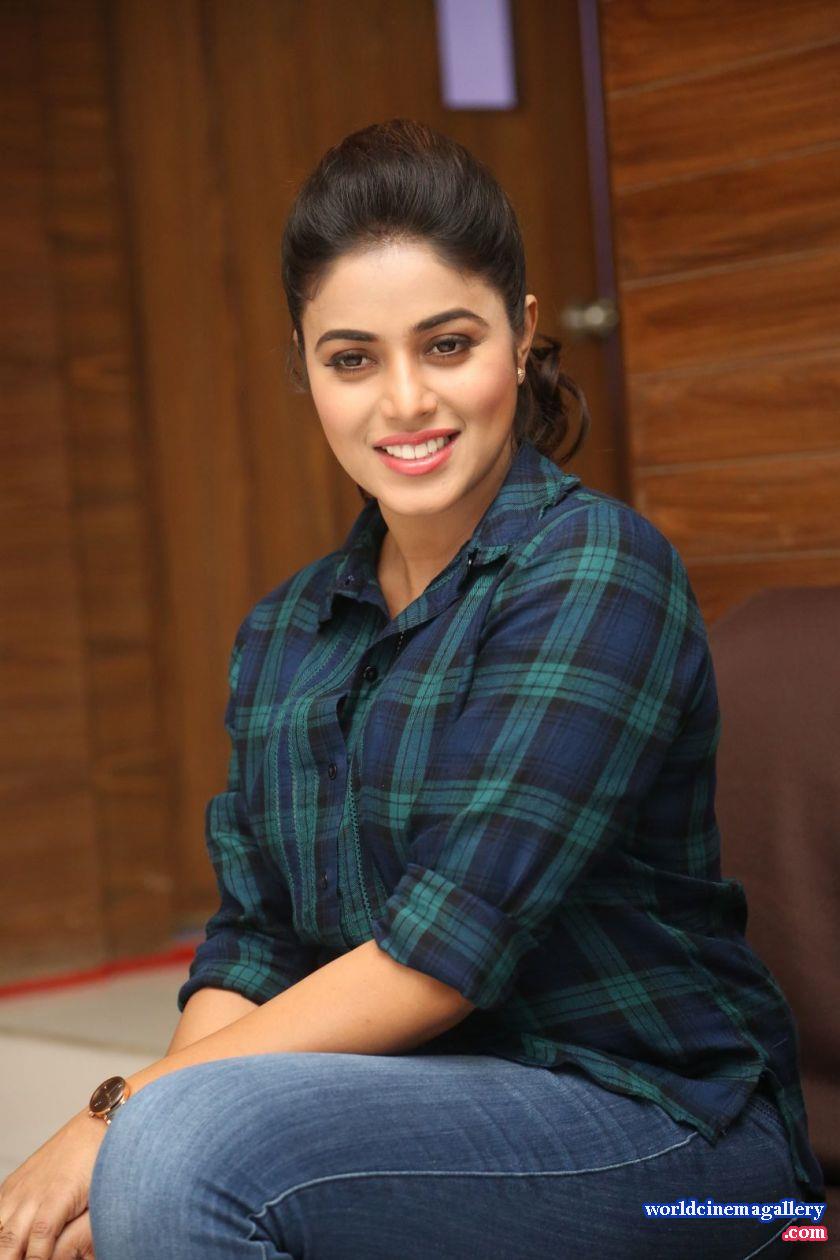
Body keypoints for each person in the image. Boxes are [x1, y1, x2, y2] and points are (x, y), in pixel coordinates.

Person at [0, 118, 824, 1260]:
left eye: (447, 344)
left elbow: (446, 955)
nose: (405, 401)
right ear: (305, 369)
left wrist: (120, 1118)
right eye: (352, 359)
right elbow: (253, 947)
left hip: (687, 1151)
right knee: (164, 1152)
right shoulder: (284, 630)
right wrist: (135, 1135)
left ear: (521, 337)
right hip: (411, 1111)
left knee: (180, 1149)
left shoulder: (598, 569)